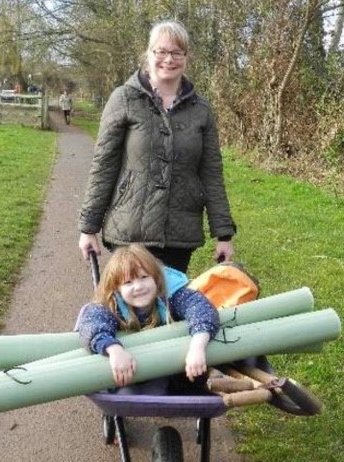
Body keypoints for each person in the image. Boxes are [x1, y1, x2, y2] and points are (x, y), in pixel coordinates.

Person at [78, 20, 237, 273]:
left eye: (177, 52)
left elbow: (211, 174)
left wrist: (224, 234)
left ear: (186, 57)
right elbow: (103, 165)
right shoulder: (124, 99)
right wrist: (88, 228)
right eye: (161, 51)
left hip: (178, 234)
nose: (168, 59)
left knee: (169, 308)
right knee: (130, 305)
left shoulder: (201, 110)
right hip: (130, 231)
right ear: (148, 54)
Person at [76, 244, 219, 393]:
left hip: (169, 362)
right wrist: (114, 350)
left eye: (144, 277)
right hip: (129, 367)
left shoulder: (172, 295)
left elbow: (202, 310)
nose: (138, 287)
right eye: (128, 282)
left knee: (177, 385)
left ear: (156, 278)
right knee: (126, 392)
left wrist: (197, 347)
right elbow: (91, 323)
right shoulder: (112, 305)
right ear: (117, 289)